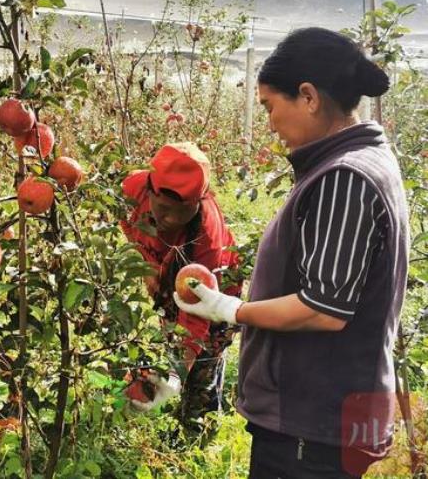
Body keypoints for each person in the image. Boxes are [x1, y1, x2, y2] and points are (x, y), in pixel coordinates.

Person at [175, 27, 408, 478]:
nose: (269, 123)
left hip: (313, 426)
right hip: (319, 421)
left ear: (308, 96)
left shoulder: (346, 177)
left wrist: (232, 309)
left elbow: (324, 308)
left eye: (270, 106)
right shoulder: (356, 165)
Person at [120, 142, 242, 438]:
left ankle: (200, 431)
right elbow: (127, 226)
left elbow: (199, 314)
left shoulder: (206, 237)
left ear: (198, 204)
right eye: (163, 210)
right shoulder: (131, 191)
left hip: (215, 294)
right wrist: (148, 267)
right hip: (167, 282)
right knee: (169, 335)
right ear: (150, 193)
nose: (170, 220)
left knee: (202, 364)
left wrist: (174, 371)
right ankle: (178, 414)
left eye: (181, 213)